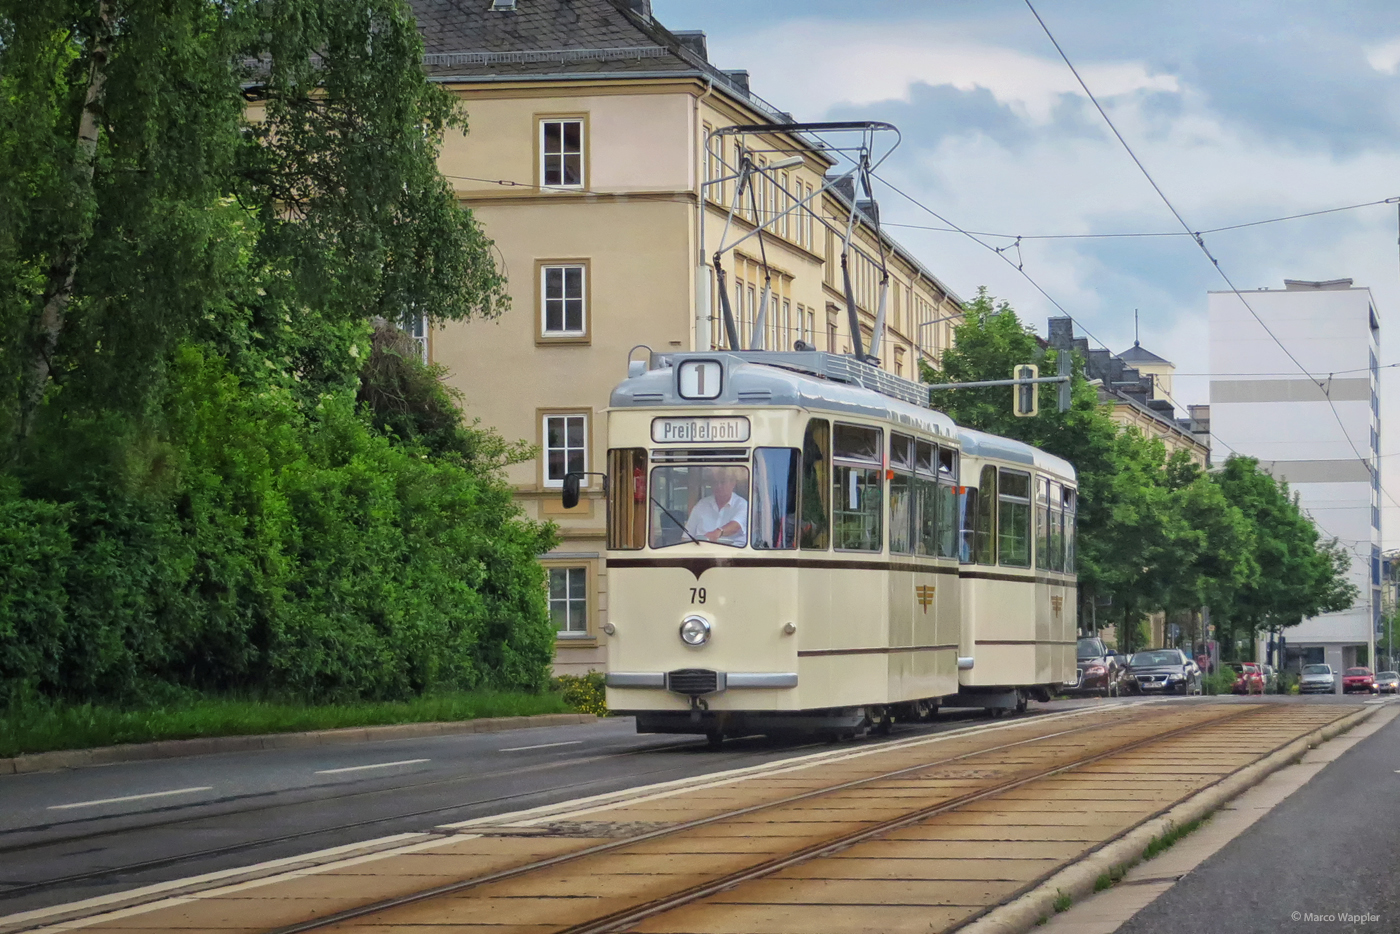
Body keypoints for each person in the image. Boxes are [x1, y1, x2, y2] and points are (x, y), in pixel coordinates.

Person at [685, 466, 748, 545]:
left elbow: (736, 526)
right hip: (702, 552)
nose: (719, 486)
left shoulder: (742, 505)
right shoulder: (701, 505)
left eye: (723, 482)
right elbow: (687, 536)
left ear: (733, 483)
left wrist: (718, 532)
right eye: (715, 482)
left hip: (735, 553)